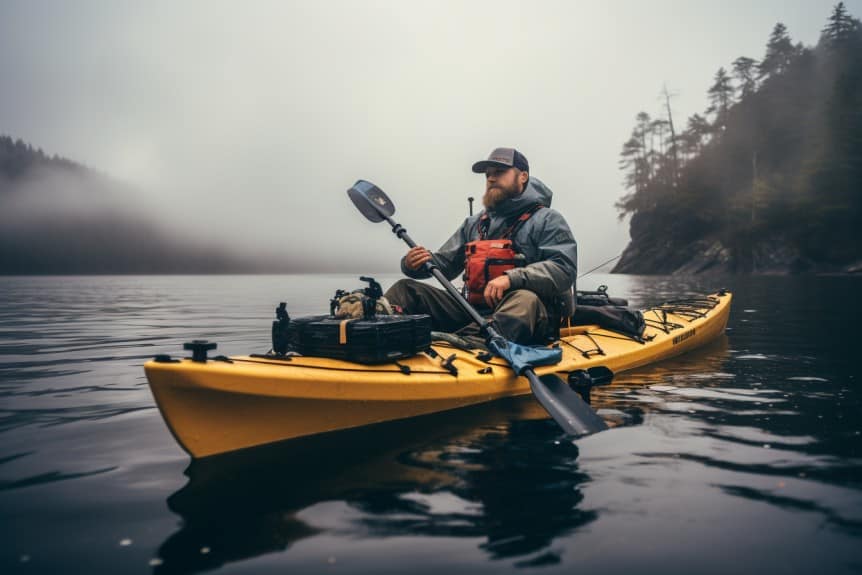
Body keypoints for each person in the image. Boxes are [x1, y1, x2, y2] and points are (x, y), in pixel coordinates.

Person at [384, 147, 577, 345]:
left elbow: (563, 268)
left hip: (529, 316)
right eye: (488, 175)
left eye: (499, 172)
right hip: (474, 312)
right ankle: (371, 330)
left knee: (524, 299)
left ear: (523, 176)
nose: (491, 179)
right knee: (405, 290)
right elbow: (444, 266)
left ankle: (468, 345)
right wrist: (412, 264)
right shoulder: (475, 223)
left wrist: (511, 279)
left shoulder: (547, 219)